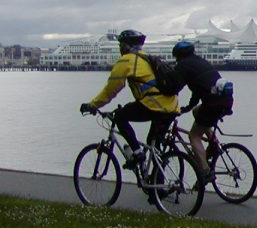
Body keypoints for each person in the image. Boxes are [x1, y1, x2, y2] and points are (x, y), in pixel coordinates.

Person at [80, 29, 180, 168]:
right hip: (172, 106)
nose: (119, 48)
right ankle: (158, 185)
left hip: (154, 105)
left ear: (126, 46)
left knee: (120, 116)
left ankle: (138, 153)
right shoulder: (147, 57)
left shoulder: (127, 60)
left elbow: (111, 89)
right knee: (154, 144)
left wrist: (93, 105)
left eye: (120, 45)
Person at [171, 40, 234, 177]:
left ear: (178, 56)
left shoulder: (183, 66)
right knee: (197, 112)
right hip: (225, 101)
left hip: (212, 104)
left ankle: (205, 171)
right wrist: (189, 107)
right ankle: (214, 144)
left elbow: (175, 87)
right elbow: (199, 89)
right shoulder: (201, 62)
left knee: (193, 135)